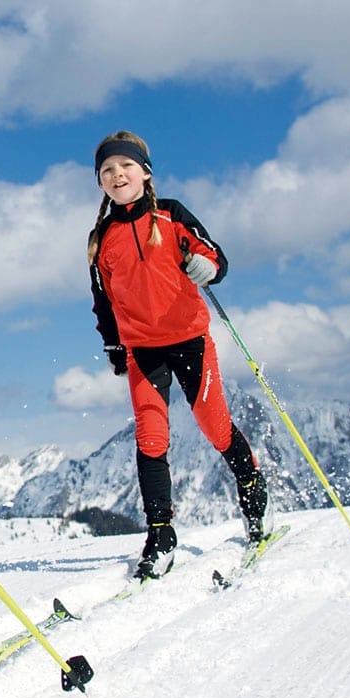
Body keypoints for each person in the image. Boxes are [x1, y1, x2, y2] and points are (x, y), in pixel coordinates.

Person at [86, 130, 270, 582]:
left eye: (125, 166)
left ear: (144, 172)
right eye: (108, 171)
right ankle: (161, 532)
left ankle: (251, 487)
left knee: (213, 423)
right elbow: (103, 300)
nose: (117, 175)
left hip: (189, 338)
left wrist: (208, 266)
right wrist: (113, 344)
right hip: (142, 349)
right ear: (101, 183)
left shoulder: (170, 214)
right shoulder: (102, 238)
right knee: (151, 438)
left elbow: (215, 257)